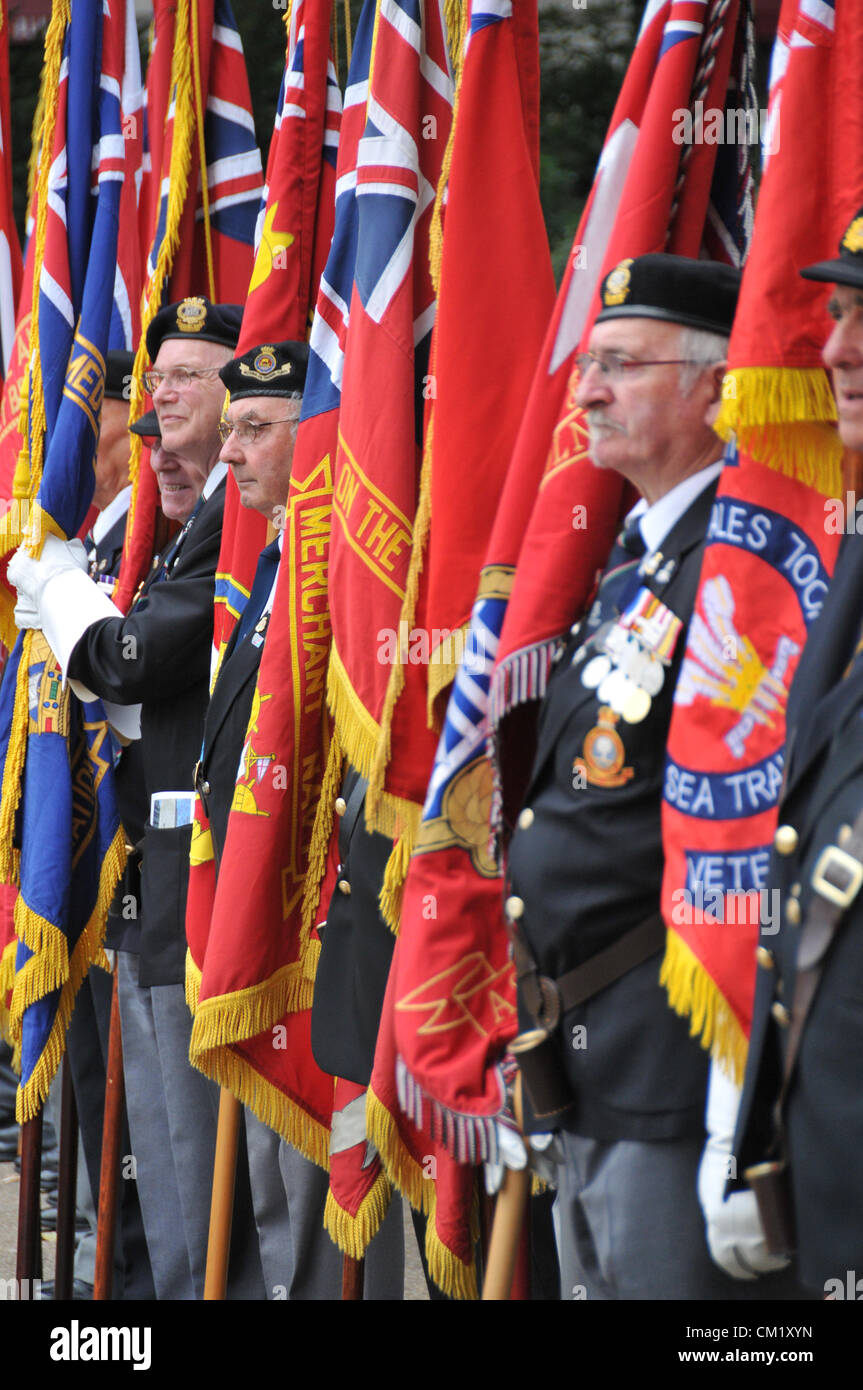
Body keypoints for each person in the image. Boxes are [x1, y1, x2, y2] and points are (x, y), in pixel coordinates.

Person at [503, 253, 797, 1300]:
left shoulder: (739, 570)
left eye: (619, 366)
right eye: (589, 365)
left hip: (672, 1060)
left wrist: (735, 1096)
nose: (584, 391)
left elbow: (749, 825)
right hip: (583, 1056)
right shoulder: (634, 563)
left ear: (714, 388)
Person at [9, 297, 263, 1300]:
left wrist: (69, 596)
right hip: (152, 892)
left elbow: (136, 658)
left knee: (217, 1221)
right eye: (153, 391)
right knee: (167, 1199)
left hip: (208, 897)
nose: (159, 412)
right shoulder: (180, 529)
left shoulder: (228, 532)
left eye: (188, 381)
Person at [201, 340, 404, 1299]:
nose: (228, 452)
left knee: (328, 1199)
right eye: (230, 428)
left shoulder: (338, 580)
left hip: (324, 916)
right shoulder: (276, 562)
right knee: (276, 1206)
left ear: (317, 433)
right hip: (268, 908)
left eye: (257, 428)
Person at [704, 206, 863, 1297]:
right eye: (838, 314)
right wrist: (752, 1109)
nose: (835, 348)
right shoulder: (850, 557)